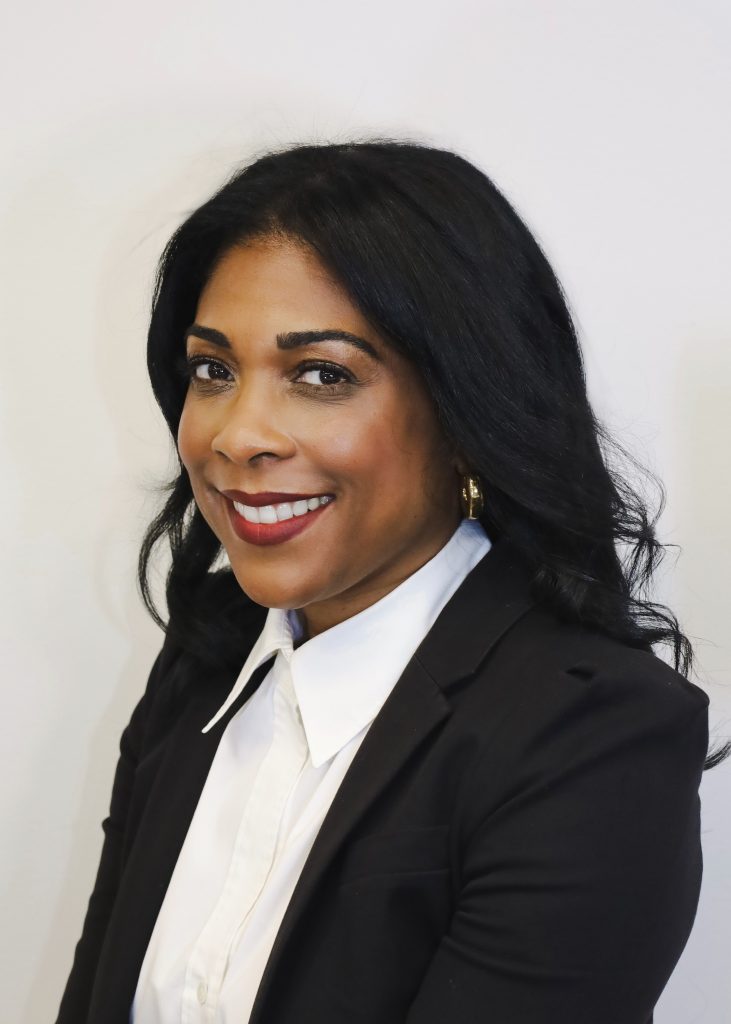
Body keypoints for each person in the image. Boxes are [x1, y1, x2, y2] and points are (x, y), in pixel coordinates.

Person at [55, 139, 727, 1024]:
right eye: (213, 369)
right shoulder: (209, 652)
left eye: (321, 374)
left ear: (466, 407)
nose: (236, 435)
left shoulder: (591, 734)